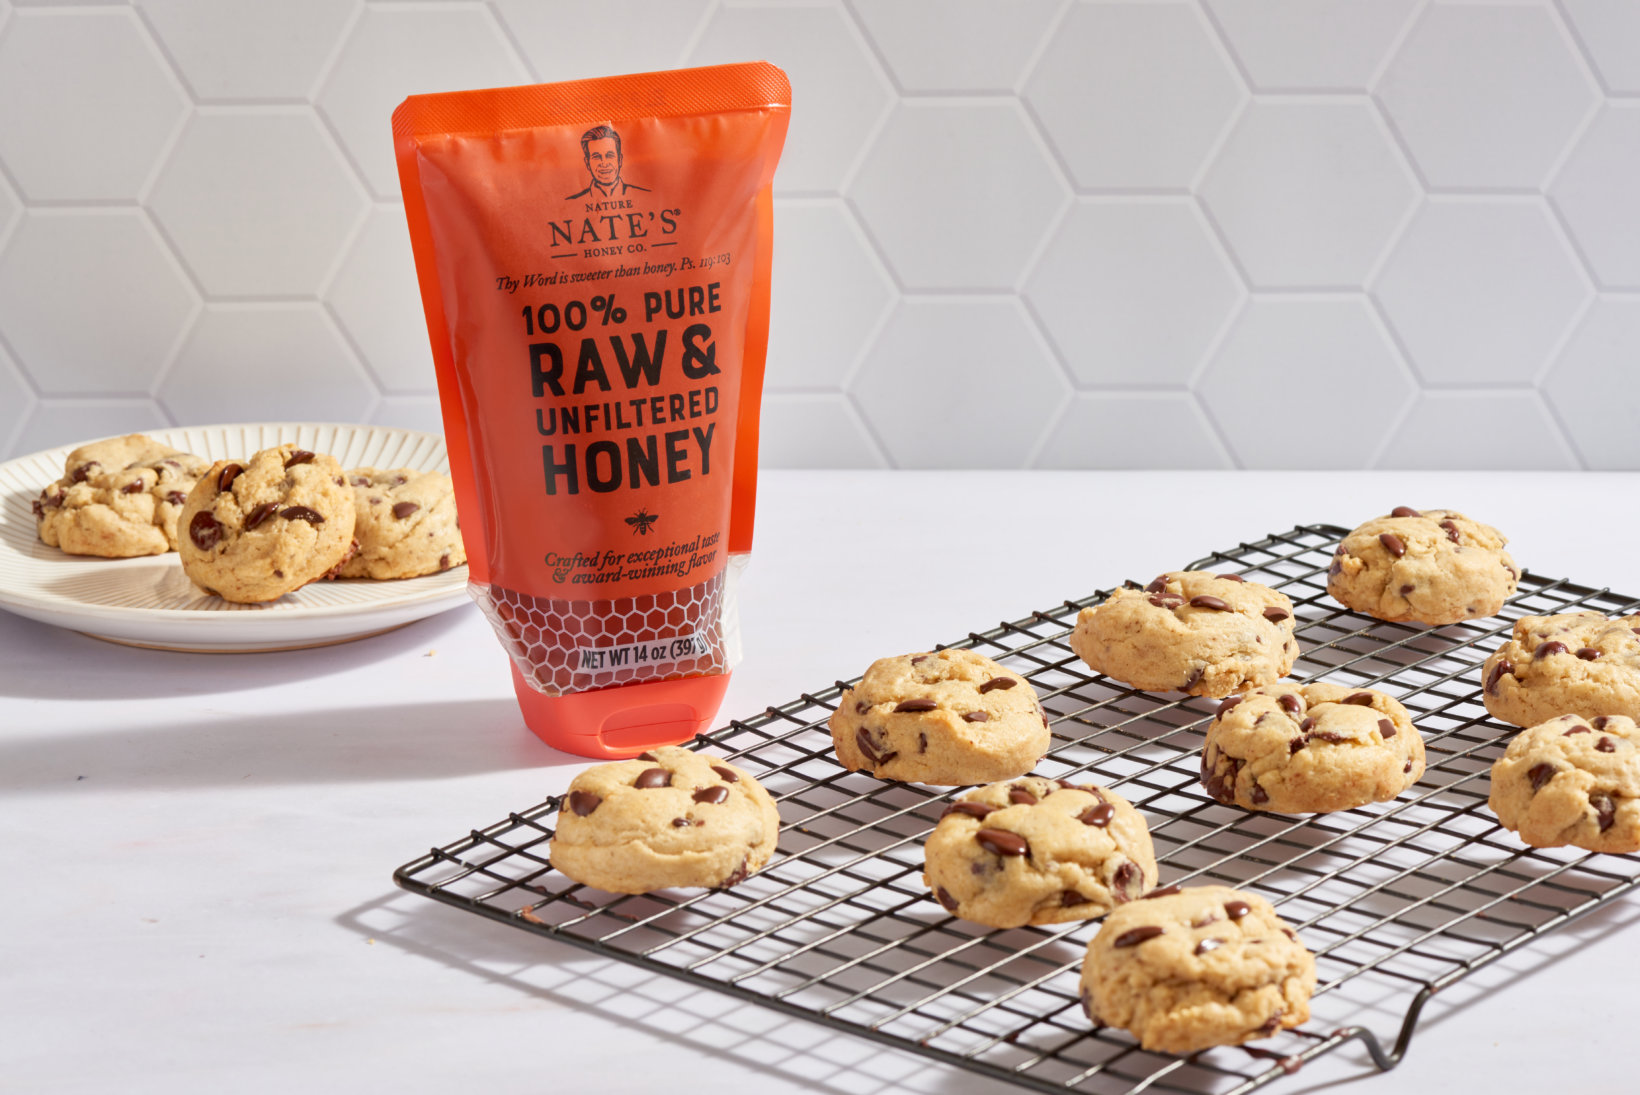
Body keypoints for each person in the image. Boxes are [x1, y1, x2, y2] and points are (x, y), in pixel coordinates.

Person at [567, 125, 649, 200]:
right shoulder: (572, 202)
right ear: (587, 163)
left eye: (609, 156)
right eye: (596, 157)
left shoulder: (646, 196)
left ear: (620, 160)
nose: (604, 163)